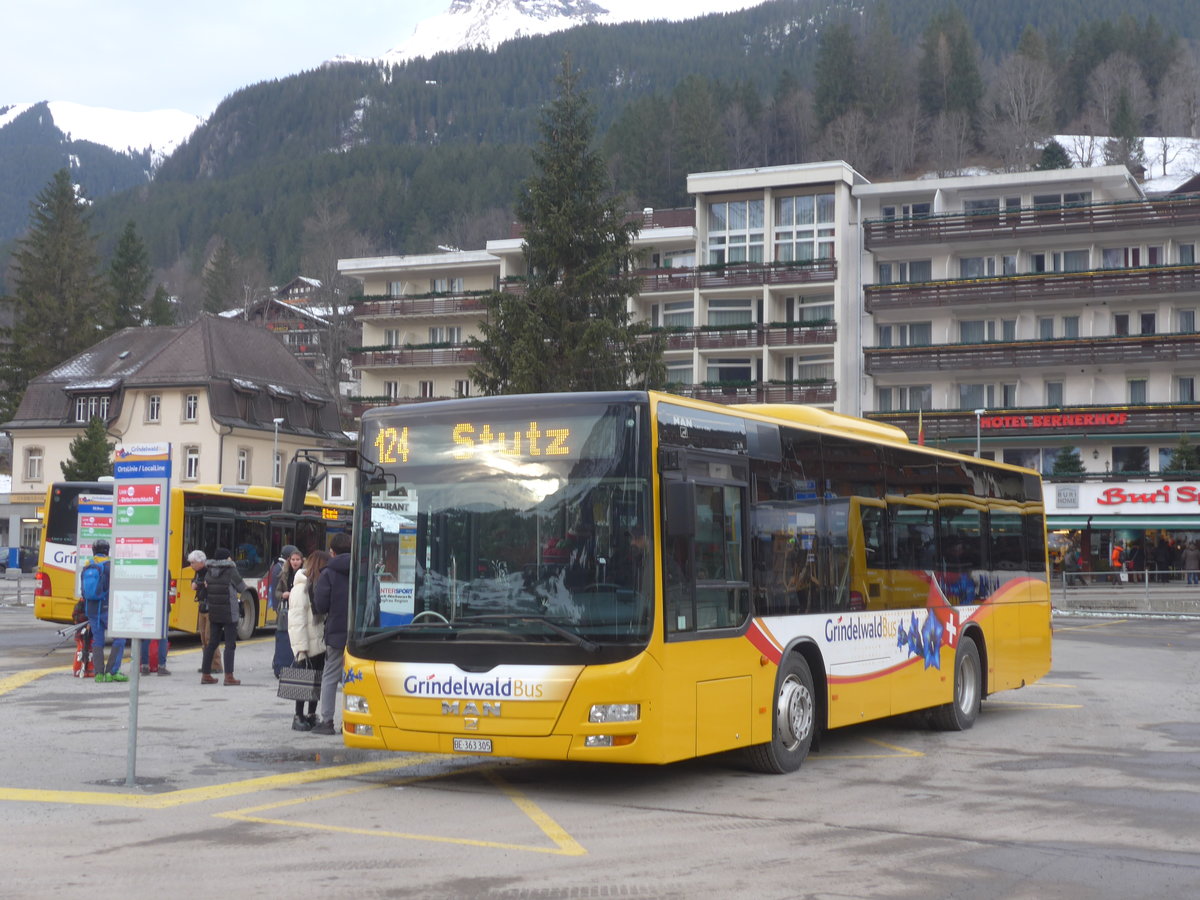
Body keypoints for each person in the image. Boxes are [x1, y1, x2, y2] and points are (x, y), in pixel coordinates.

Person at [310, 531, 352, 735]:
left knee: (330, 676)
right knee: (354, 678)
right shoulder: (363, 569)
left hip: (335, 632)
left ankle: (327, 722)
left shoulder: (328, 573)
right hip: (358, 635)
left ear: (332, 552)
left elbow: (320, 605)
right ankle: (352, 722)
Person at [286, 550, 330, 731]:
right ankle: (298, 715)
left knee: (317, 679)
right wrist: (301, 648)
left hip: (319, 641)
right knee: (303, 679)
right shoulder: (300, 588)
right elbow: (296, 621)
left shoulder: (318, 585)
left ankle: (312, 713)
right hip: (306, 642)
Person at [200, 548, 249, 685]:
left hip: (214, 612)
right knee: (229, 645)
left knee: (212, 643)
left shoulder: (209, 570)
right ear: (227, 558)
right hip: (229, 612)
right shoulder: (231, 571)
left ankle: (205, 674)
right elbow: (242, 588)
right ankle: (229, 677)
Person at [83, 540, 129, 684]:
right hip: (107, 608)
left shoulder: (87, 565)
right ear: (107, 550)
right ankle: (111, 672)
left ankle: (98, 674)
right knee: (119, 638)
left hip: (91, 609)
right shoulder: (110, 566)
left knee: (98, 640)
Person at [270, 545, 301, 678]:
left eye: (297, 559)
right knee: (284, 638)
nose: (295, 562)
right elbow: (277, 592)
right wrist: (283, 594)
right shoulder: (283, 574)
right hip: (286, 611)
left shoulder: (305, 575)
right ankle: (282, 666)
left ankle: (297, 666)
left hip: (299, 611)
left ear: (302, 561)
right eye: (293, 559)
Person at [188, 549, 220, 674]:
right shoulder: (198, 572)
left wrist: (198, 584)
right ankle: (206, 664)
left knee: (210, 637)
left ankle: (216, 665)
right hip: (202, 607)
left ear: (201, 562)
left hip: (210, 607)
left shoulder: (209, 571)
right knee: (203, 638)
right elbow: (195, 582)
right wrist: (195, 583)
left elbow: (209, 584)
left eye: (193, 562)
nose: (191, 565)